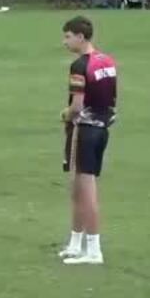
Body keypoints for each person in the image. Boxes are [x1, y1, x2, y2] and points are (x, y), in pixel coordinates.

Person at [58, 16, 118, 266]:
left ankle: (93, 250)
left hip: (83, 130)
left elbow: (77, 105)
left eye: (68, 36)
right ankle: (75, 242)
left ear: (80, 37)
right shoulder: (107, 62)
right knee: (78, 187)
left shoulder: (79, 66)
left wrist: (65, 114)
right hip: (102, 128)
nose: (65, 42)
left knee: (86, 189)